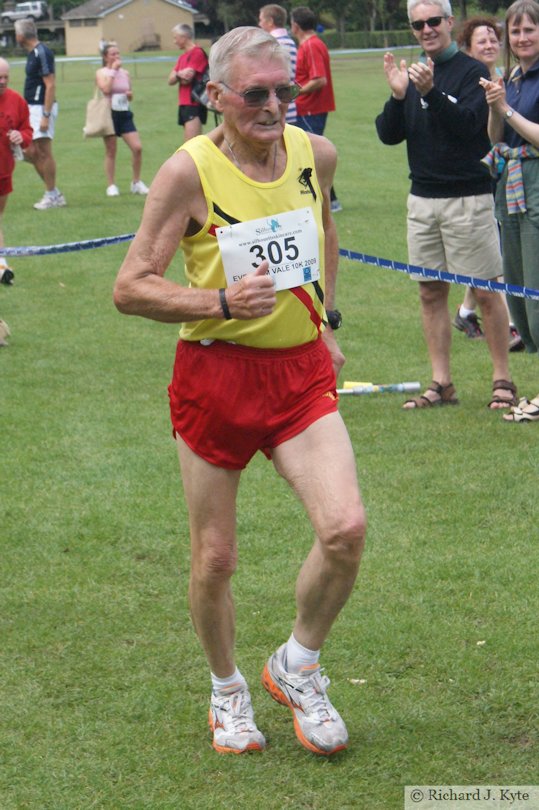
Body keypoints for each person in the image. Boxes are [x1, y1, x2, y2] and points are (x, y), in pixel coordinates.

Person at [113, 26, 366, 756]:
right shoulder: (186, 172)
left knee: (345, 529)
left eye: (285, 91)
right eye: (255, 94)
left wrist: (323, 321)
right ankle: (227, 690)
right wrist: (220, 304)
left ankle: (299, 664)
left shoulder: (315, 154)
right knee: (215, 557)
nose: (274, 105)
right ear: (215, 95)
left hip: (298, 375)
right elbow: (130, 287)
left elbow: (320, 232)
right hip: (216, 376)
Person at [375, 0, 517, 411]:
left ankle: (502, 380)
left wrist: (429, 93)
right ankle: (442, 383)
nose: (426, 29)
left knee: (486, 291)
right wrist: (398, 95)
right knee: (430, 292)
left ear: (450, 23)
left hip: (467, 197)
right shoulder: (414, 72)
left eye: (433, 21)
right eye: (418, 24)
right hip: (422, 199)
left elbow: (471, 130)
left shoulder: (473, 71)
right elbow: (388, 135)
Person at [480, 0, 539, 423]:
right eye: (515, 32)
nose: (522, 38)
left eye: (530, 30)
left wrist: (506, 108)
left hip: (537, 186)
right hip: (511, 188)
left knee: (538, 289)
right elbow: (495, 135)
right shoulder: (512, 77)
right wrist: (494, 104)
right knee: (519, 289)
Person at [452, 16, 524, 352]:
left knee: (489, 253)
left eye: (494, 39)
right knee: (496, 253)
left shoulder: (506, 77)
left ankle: (466, 311)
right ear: (466, 46)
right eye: (481, 40)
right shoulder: (470, 81)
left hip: (503, 172)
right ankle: (512, 323)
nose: (490, 44)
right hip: (477, 175)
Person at [290, 6, 342, 212]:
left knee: (310, 154)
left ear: (295, 25)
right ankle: (326, 199)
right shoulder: (310, 44)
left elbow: (319, 79)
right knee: (308, 154)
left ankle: (329, 201)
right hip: (309, 108)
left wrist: (295, 92)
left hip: (311, 108)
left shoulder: (311, 46)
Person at [14, 19, 66, 210]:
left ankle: (52, 195)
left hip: (41, 108)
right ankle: (54, 192)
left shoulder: (42, 52)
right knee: (29, 151)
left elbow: (50, 84)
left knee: (43, 152)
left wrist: (45, 114)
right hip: (32, 108)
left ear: (20, 36)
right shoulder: (32, 54)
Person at [95, 43, 149, 197]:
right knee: (111, 150)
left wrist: (129, 95)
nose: (116, 57)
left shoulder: (125, 73)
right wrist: (113, 71)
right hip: (109, 114)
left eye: (118, 53)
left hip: (124, 113)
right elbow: (105, 89)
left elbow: (128, 93)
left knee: (137, 148)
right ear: (105, 57)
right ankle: (111, 185)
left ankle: (136, 182)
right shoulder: (102, 72)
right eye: (112, 54)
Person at [0, 57, 32, 287]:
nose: (2, 81)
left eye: (5, 77)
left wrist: (22, 137)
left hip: (4, 171)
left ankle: (1, 266)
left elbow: (26, 130)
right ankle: (2, 266)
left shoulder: (16, 101)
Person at [168, 24, 209, 142]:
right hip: (184, 104)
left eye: (175, 38)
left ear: (184, 37)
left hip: (194, 103)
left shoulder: (197, 53)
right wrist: (178, 74)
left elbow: (187, 80)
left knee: (192, 145)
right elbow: (170, 80)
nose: (174, 41)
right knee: (188, 145)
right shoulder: (182, 57)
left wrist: (178, 75)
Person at [258, 4, 297, 124]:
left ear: (270, 21)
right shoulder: (290, 42)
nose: (259, 24)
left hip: (274, 107)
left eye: (261, 20)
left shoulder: (271, 44)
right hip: (289, 106)